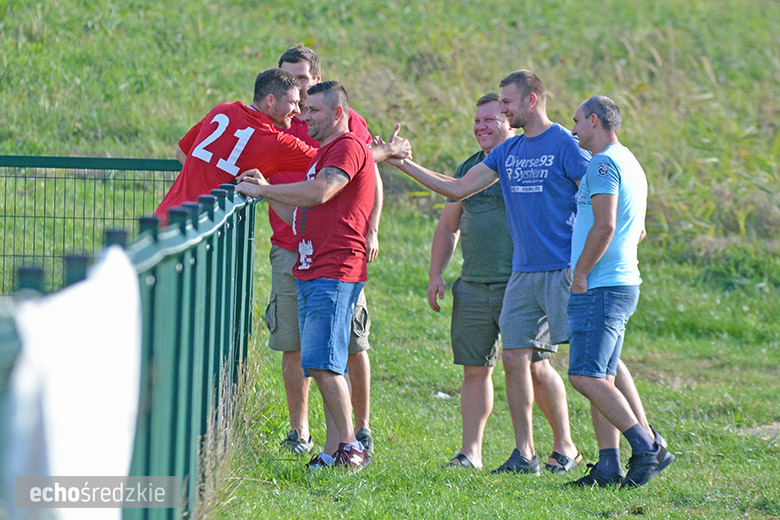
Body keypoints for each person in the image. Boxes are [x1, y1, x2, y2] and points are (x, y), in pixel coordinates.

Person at [386, 70, 586, 475]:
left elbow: (599, 192)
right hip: (498, 280)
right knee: (498, 363)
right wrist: (402, 164)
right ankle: (510, 454)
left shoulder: (561, 144)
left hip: (545, 275)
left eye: (503, 106)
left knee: (566, 366)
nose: (495, 116)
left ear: (529, 101)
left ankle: (580, 447)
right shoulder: (498, 157)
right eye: (480, 118)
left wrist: (592, 252)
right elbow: (455, 192)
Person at [235, 81, 391, 471]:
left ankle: (350, 447)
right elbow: (299, 215)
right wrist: (266, 190)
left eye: (314, 110)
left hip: (334, 270)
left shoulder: (348, 146)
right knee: (324, 363)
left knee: (323, 362)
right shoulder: (323, 153)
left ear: (338, 113)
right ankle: (333, 449)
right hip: (311, 268)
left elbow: (321, 192)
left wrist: (265, 191)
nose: (305, 117)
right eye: (304, 110)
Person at [268, 45, 408, 457]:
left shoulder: (343, 134)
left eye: (303, 82)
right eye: (289, 81)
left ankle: (353, 440)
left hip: (334, 260)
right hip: (299, 252)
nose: (300, 101)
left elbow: (343, 176)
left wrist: (373, 228)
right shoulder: (283, 124)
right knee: (308, 352)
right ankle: (319, 442)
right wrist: (263, 189)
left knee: (340, 351)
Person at [566, 95, 674, 488]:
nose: (573, 129)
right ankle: (608, 466)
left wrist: (581, 273)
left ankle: (646, 448)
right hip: (622, 282)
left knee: (584, 376)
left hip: (602, 286)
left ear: (594, 120)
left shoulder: (602, 163)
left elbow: (606, 225)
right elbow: (638, 230)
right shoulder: (631, 162)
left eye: (577, 121)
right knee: (602, 376)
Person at [155, 68, 315, 224]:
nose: (297, 110)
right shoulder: (277, 143)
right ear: (270, 101)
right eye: (293, 103)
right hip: (205, 230)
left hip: (164, 218)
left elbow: (182, 152)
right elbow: (325, 160)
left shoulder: (221, 110)